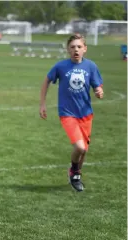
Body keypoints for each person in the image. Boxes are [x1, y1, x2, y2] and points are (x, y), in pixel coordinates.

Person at [39, 33, 103, 192]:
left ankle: (76, 176)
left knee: (84, 151)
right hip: (67, 114)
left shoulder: (91, 66)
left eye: (79, 47)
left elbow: (96, 85)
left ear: (85, 49)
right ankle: (74, 171)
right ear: (68, 49)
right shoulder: (61, 66)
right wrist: (42, 104)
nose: (76, 50)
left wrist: (99, 91)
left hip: (86, 114)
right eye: (73, 47)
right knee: (80, 147)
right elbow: (47, 80)